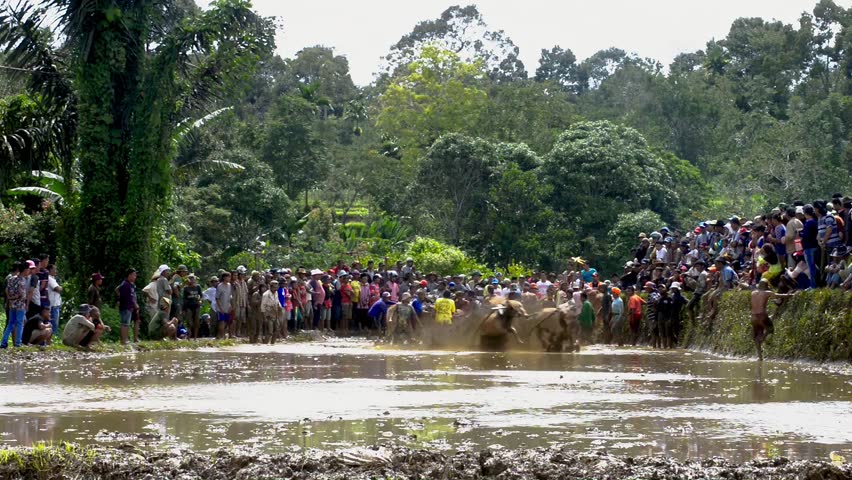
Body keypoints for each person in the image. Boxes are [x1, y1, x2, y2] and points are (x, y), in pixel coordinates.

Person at [751, 279, 795, 361]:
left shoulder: (753, 293)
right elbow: (779, 295)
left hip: (753, 317)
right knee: (770, 329)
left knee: (756, 336)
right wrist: (791, 295)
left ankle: (760, 357)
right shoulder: (767, 293)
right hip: (762, 316)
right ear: (766, 286)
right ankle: (763, 338)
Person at [2, 261, 27, 348]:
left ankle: (3, 342)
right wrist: (18, 297)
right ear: (24, 270)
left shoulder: (11, 278)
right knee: (20, 323)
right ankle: (18, 343)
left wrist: (9, 298)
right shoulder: (22, 280)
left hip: (12, 305)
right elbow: (22, 294)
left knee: (10, 323)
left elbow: (7, 290)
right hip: (20, 305)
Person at [116, 268, 138, 345]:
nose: (135, 277)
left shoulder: (130, 285)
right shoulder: (125, 284)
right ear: (129, 275)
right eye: (134, 275)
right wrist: (120, 300)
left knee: (127, 324)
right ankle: (123, 340)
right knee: (124, 324)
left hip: (129, 307)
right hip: (125, 307)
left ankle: (125, 339)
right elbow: (119, 292)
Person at [801, 206, 820, 289]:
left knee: (811, 267)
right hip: (814, 246)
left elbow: (807, 235)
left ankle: (813, 285)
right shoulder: (814, 221)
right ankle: (814, 284)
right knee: (813, 267)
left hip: (809, 247)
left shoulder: (809, 222)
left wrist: (800, 234)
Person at [182, 274, 202, 339]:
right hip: (188, 307)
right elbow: (184, 299)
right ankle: (188, 336)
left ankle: (195, 337)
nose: (192, 280)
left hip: (197, 306)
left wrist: (200, 300)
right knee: (189, 322)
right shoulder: (186, 288)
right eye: (190, 279)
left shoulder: (198, 287)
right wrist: (184, 309)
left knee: (196, 322)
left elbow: (201, 295)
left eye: (193, 278)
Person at [215, 272, 232, 339]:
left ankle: (222, 335)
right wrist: (220, 308)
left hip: (227, 306)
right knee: (221, 322)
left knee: (226, 322)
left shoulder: (229, 285)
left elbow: (230, 296)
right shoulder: (220, 286)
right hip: (221, 307)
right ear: (224, 277)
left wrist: (230, 305)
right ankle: (221, 336)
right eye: (228, 277)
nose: (229, 278)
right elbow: (217, 298)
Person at [46, 264, 62, 334]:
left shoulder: (52, 279)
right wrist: (60, 288)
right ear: (50, 270)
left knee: (54, 321)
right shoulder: (50, 279)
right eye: (54, 269)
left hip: (55, 304)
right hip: (53, 304)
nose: (56, 271)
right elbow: (57, 288)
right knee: (54, 322)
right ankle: (53, 335)